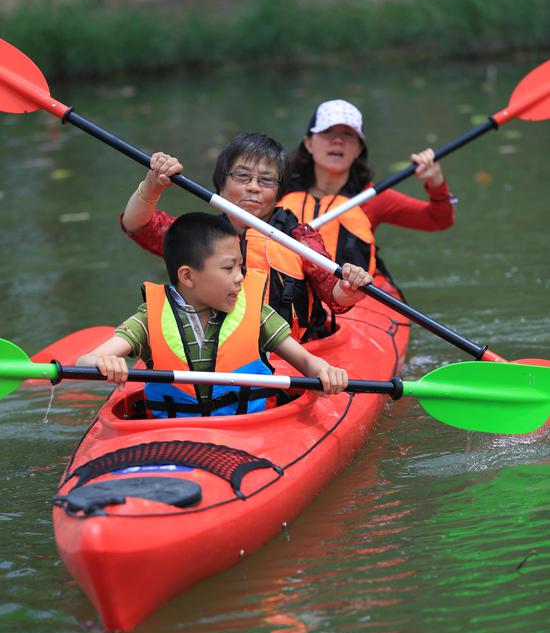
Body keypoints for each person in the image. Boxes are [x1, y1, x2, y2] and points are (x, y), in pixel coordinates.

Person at [78, 212, 349, 418]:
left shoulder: (256, 313)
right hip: (170, 436)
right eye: (228, 268)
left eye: (240, 266)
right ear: (188, 276)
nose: (240, 277)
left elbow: (305, 360)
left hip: (252, 432)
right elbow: (86, 361)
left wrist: (326, 372)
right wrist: (102, 364)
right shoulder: (151, 318)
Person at [120, 133, 374, 343]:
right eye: (242, 176)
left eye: (266, 180)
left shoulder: (298, 235)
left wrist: (350, 287)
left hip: (292, 356)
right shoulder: (199, 234)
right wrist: (153, 184)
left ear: (278, 192)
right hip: (215, 351)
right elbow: (137, 225)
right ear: (221, 185)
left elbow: (333, 291)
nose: (253, 186)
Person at [280, 98, 455, 290]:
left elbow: (439, 219)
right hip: (289, 286)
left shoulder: (372, 197)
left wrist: (436, 183)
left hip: (348, 294)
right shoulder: (278, 191)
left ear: (359, 149)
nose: (337, 140)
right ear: (309, 144)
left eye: (348, 134)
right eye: (327, 132)